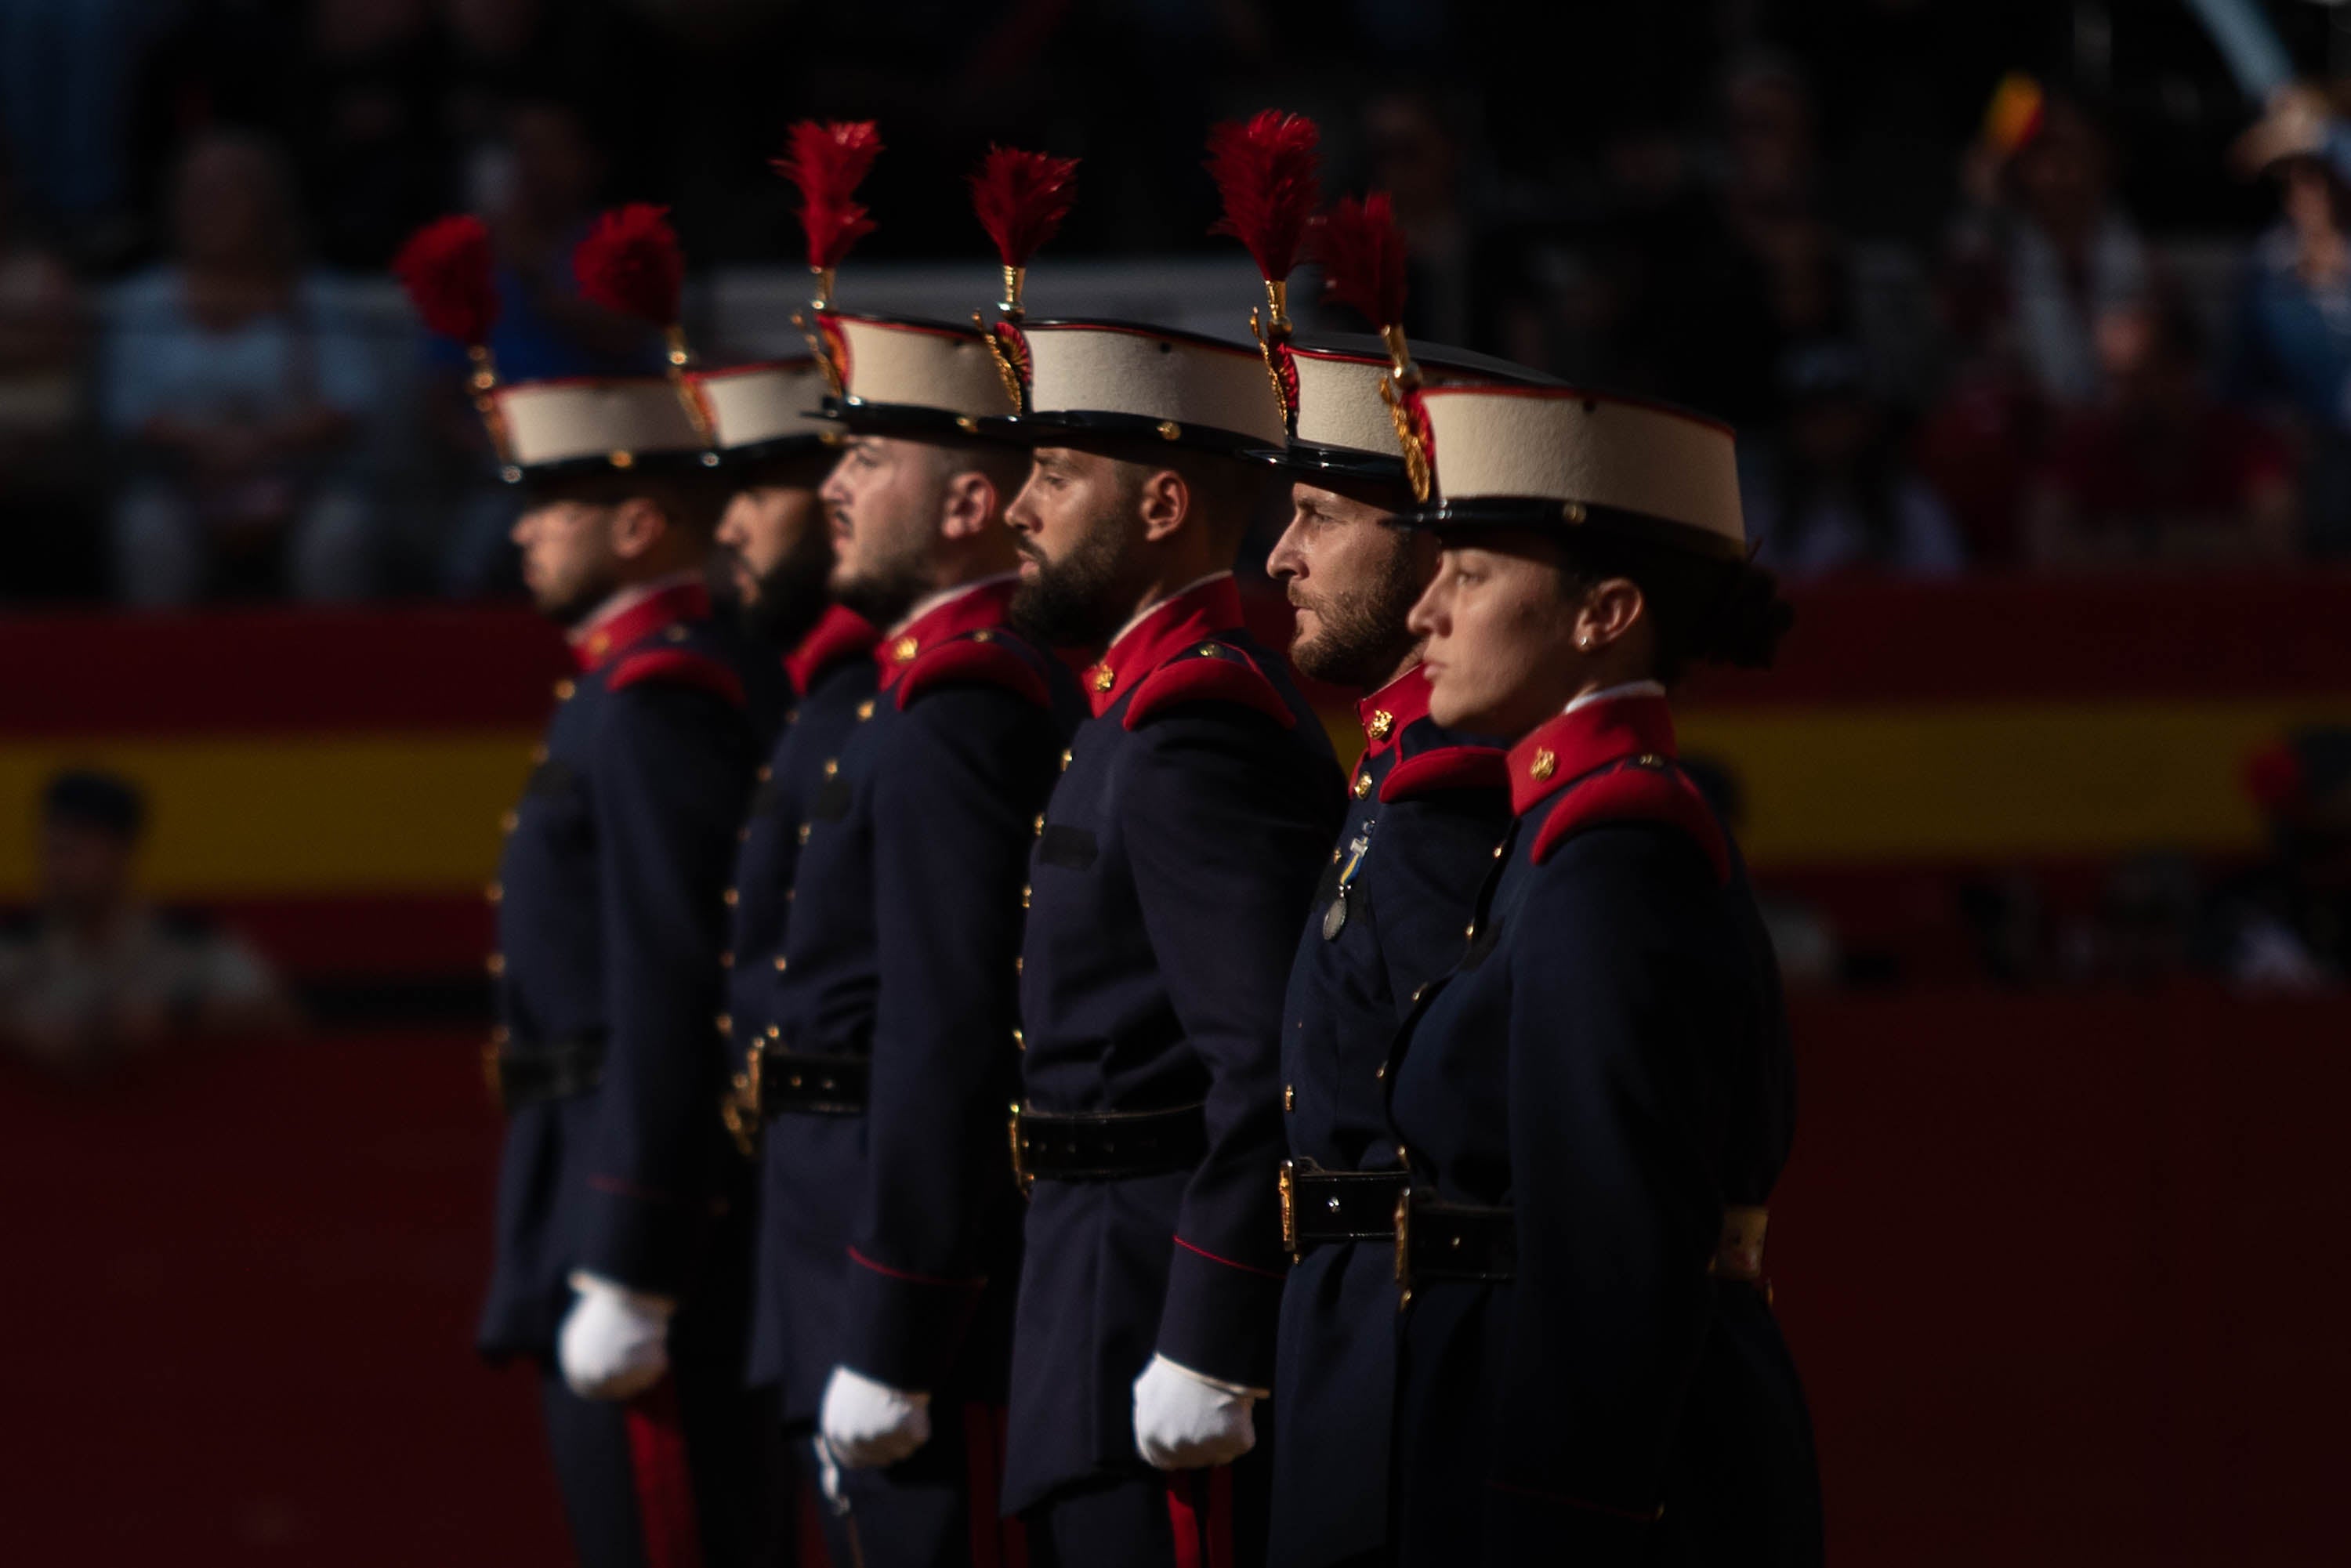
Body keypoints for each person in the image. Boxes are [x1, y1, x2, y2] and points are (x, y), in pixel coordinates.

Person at [1378, 381, 1822, 1563]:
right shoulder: (1563, 833)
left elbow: (1608, 1255)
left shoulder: (1609, 861)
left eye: (1468, 576)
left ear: (1604, 612)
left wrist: (1558, 1519)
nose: (1423, 612)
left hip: (1605, 1497)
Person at [403, 223, 767, 1566]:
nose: (523, 530)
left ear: (637, 517)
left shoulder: (655, 708)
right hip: (579, 1179)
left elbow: (670, 986)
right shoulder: (616, 699)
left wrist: (635, 1247)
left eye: (552, 501)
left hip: (626, 1203)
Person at [993, 314, 1344, 1566]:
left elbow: (1264, 1062)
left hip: (1144, 1305)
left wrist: (1205, 1327)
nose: (1017, 511)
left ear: (1162, 506)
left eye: (1054, 476)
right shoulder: (1136, 708)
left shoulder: (1195, 726)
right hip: (1089, 1290)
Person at [737, 295, 1079, 1563]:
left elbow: (947, 1033)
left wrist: (895, 1323)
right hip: (838, 1231)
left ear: (970, 505)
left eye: (871, 457)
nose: (834, 485)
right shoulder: (910, 690)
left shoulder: (961, 703)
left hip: (909, 1280)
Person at [1259, 330, 1530, 1568]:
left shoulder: (1453, 796)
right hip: (1354, 1342)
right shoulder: (1394, 774)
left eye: (1320, 513)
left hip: (1415, 1359)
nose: (1281, 556)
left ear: (1431, 552)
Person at [100, 129, 382, 603]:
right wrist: (208, 448)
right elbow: (126, 411)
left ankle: (337, 667)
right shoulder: (143, 302)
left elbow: (350, 402)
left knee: (342, 529)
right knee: (145, 528)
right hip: (181, 486)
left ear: (267, 204)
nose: (206, 208)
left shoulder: (315, 300)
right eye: (193, 193)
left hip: (298, 488)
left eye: (225, 191)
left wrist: (261, 446)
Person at [0, 770, 295, 1077]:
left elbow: (278, 1014)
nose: (58, 870)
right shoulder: (16, 942)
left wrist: (174, 1016)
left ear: (120, 852)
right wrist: (20, 1029)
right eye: (51, 851)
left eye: (74, 851)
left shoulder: (186, 940)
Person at [2027, 298, 2298, 569]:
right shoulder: (2081, 446)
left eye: (2143, 375)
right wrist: (2201, 545)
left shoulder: (2246, 444)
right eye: (2114, 379)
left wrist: (2131, 547)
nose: (2125, 394)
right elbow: (2048, 547)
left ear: (2186, 370)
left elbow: (2274, 543)